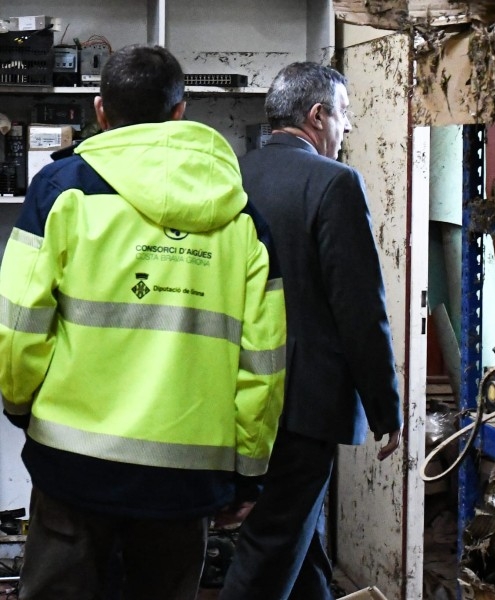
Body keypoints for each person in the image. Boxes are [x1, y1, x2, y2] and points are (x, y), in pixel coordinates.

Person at [0, 44, 286, 600]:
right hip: (186, 478)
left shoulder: (62, 192)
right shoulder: (244, 218)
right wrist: (249, 470)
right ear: (180, 113)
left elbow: (17, 325)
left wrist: (18, 405)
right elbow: (264, 363)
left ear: (100, 111)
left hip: (72, 462)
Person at [219, 61, 403, 600]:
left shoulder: (233, 177)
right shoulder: (335, 182)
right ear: (318, 116)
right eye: (344, 116)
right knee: (270, 548)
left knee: (299, 541)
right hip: (304, 402)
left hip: (239, 391)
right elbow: (359, 307)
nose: (346, 130)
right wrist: (385, 407)